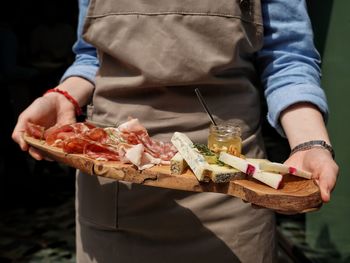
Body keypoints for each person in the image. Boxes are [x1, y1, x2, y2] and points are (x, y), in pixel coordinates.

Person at [12, 0, 339, 262]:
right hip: (116, 184)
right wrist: (64, 95)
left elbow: (287, 57)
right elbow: (91, 56)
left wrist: (310, 141)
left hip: (227, 187)